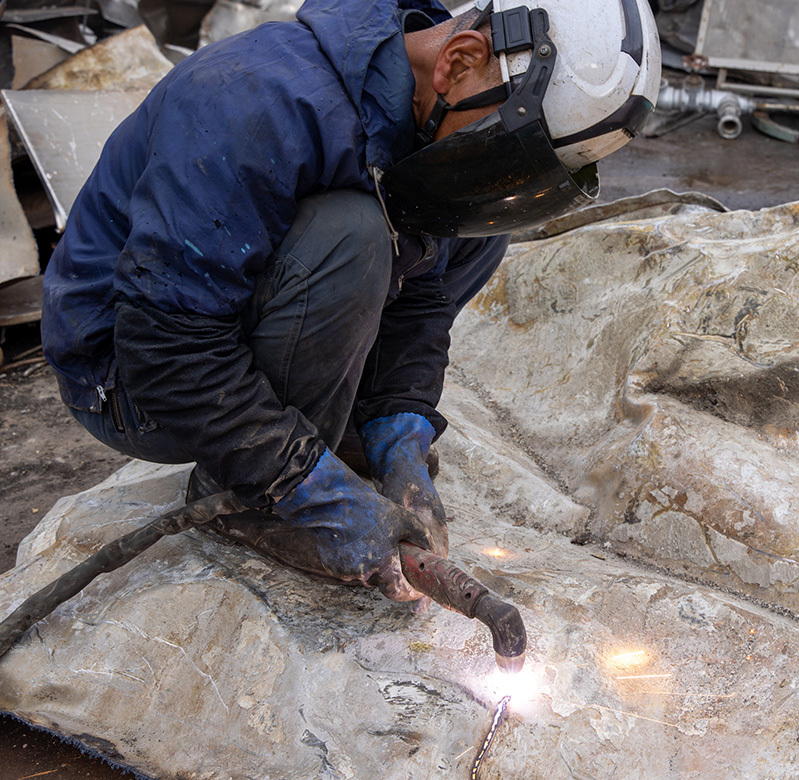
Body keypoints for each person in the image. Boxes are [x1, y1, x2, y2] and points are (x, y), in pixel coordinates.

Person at [40, 0, 660, 609]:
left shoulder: (421, 111)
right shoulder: (255, 102)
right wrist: (304, 485)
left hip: (204, 341)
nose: (498, 173)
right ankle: (250, 493)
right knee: (354, 234)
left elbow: (421, 303)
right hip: (132, 379)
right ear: (459, 61)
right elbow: (164, 346)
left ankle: (326, 432)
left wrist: (399, 431)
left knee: (478, 224)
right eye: (499, 144)